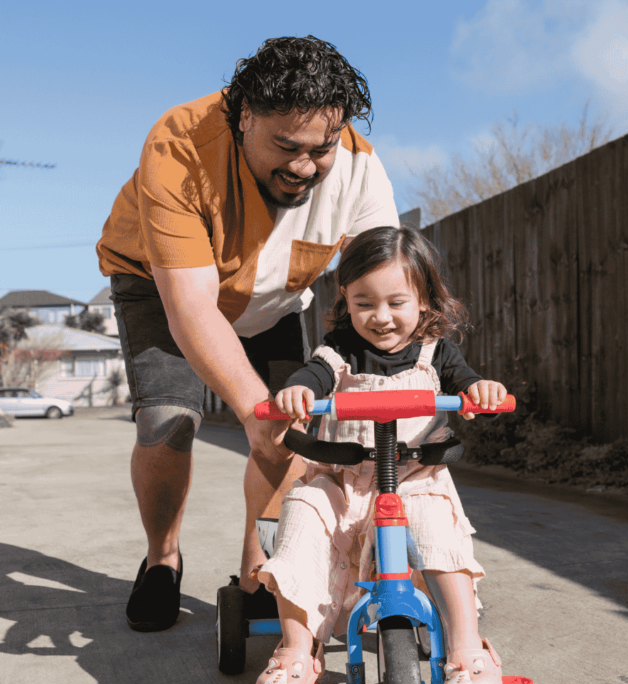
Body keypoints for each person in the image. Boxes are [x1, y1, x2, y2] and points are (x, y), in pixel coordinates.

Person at [96, 37, 400, 632]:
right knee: (168, 421)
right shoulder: (179, 145)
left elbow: (387, 289)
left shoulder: (361, 170)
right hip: (164, 289)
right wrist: (248, 406)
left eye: (322, 149)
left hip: (275, 300)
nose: (305, 166)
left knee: (291, 433)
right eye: (286, 146)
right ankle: (162, 560)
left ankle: (256, 575)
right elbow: (191, 306)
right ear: (244, 119)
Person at [253, 225, 508, 684]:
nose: (382, 317)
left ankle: (466, 647)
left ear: (425, 302)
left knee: (436, 525)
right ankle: (295, 650)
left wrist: (481, 391)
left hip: (414, 476)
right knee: (303, 510)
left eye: (397, 302)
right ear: (345, 299)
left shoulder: (440, 355)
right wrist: (298, 391)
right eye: (364, 302)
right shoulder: (338, 351)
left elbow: (469, 382)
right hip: (342, 481)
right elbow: (314, 374)